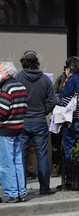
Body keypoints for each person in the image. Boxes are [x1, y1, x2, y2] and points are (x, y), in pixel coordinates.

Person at [16, 50, 56, 195]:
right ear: (36, 63)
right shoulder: (45, 79)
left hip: (22, 121)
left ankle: (21, 189)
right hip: (39, 121)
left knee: (20, 155)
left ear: (23, 62)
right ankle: (44, 188)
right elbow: (53, 101)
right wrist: (43, 112)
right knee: (42, 156)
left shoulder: (17, 78)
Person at [0, 62, 28, 203]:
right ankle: (21, 192)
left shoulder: (6, 87)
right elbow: (24, 108)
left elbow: (2, 112)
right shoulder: (20, 86)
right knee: (18, 161)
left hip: (6, 129)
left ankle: (11, 193)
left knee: (6, 163)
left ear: (6, 73)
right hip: (18, 127)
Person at [56, 56, 79, 161]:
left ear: (69, 68)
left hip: (72, 118)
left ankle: (71, 172)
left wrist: (55, 99)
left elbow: (64, 101)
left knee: (69, 146)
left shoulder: (71, 80)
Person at [50, 69, 67, 177]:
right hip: (58, 113)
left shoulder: (76, 78)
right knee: (56, 142)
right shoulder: (61, 79)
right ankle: (56, 165)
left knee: (66, 143)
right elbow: (54, 93)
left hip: (69, 115)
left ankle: (64, 167)